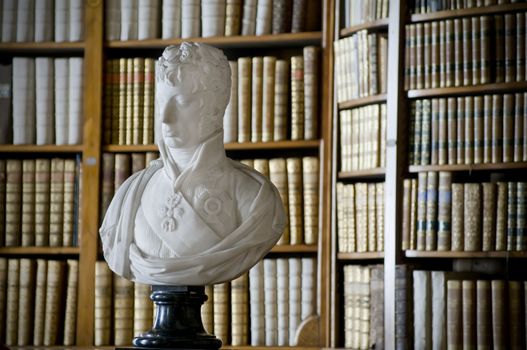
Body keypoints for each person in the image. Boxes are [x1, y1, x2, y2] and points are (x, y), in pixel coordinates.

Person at [99, 42, 286, 286]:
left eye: (182, 102)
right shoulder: (130, 194)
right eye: (162, 101)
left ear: (217, 106)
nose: (165, 118)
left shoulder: (257, 200)